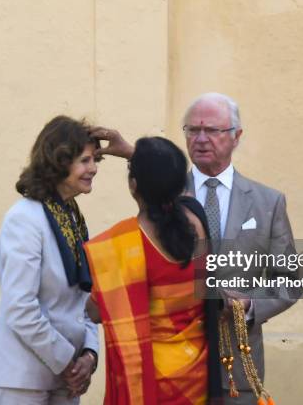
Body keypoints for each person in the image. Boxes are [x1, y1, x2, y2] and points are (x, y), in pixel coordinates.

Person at [92, 92, 300, 404]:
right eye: (192, 130)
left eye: (212, 131)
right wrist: (134, 154)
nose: (201, 139)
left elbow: (291, 280)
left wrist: (251, 305)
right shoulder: (171, 193)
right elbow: (156, 174)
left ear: (236, 136)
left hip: (237, 368)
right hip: (174, 368)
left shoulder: (267, 203)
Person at [84, 137, 222, 404]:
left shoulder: (124, 242)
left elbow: (96, 312)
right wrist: (137, 156)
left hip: (150, 382)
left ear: (134, 185)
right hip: (196, 378)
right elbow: (168, 179)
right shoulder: (196, 219)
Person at [0, 116, 100, 405]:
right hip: (22, 381)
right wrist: (67, 362)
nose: (93, 168)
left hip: (65, 379)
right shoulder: (25, 218)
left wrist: (89, 354)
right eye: (85, 160)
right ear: (60, 161)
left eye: (95, 160)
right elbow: (20, 307)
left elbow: (82, 301)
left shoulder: (72, 218)